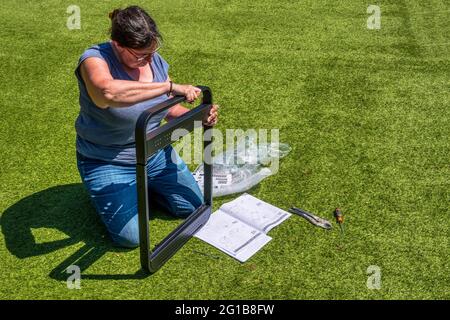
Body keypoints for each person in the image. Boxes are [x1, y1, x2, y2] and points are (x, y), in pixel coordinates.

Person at [74, 5, 219, 248]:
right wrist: (169, 87)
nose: (148, 60)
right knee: (131, 238)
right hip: (107, 159)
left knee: (192, 207)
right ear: (118, 44)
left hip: (153, 152)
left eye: (152, 52)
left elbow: (167, 109)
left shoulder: (156, 62)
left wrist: (197, 116)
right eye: (141, 55)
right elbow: (106, 93)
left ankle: (144, 186)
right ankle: (108, 189)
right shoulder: (94, 59)